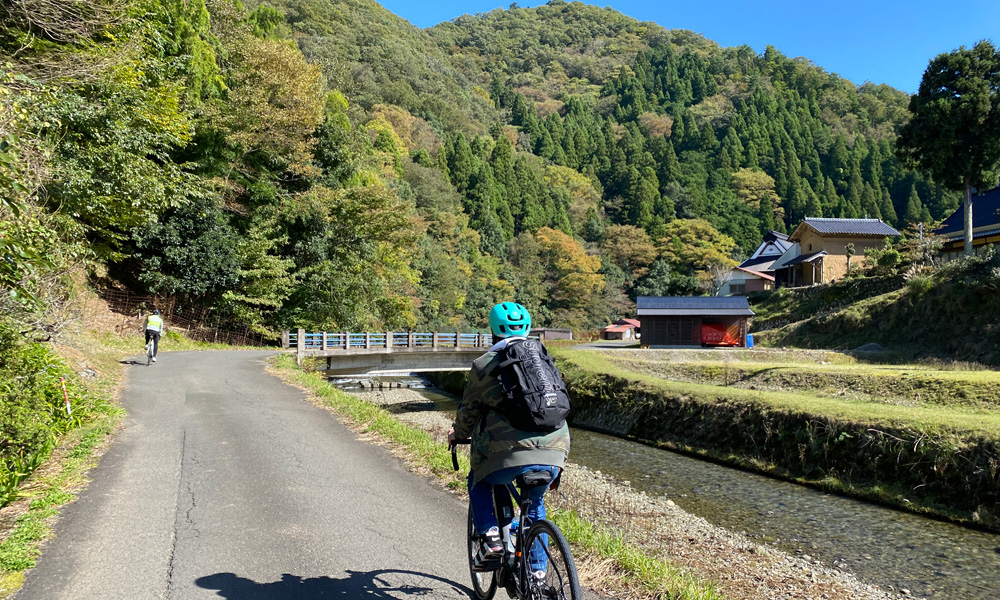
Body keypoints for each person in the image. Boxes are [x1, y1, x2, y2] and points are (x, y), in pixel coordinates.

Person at [447, 302, 570, 581]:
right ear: (527, 329)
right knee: (535, 505)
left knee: (479, 479)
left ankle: (491, 537)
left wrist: (458, 434)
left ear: (492, 331)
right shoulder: (543, 358)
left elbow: (469, 411)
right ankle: (538, 574)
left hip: (505, 453)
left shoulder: (484, 364)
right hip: (556, 449)